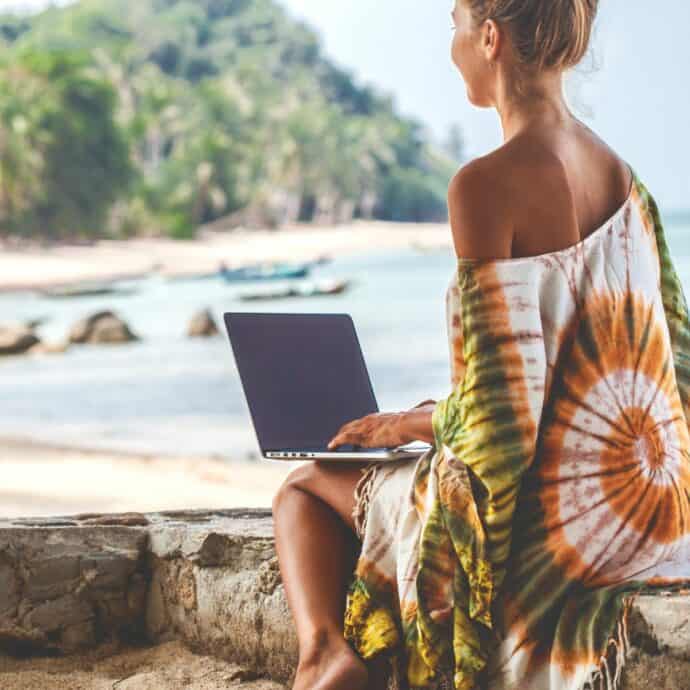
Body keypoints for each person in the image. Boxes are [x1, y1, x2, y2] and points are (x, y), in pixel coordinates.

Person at [271, 1, 690, 689]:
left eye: (457, 25)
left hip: (555, 525)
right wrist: (441, 411)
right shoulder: (625, 182)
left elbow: (502, 430)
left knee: (303, 490)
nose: (453, 46)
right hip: (650, 507)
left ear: (489, 37)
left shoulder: (483, 186)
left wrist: (411, 424)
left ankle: (324, 658)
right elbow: (671, 359)